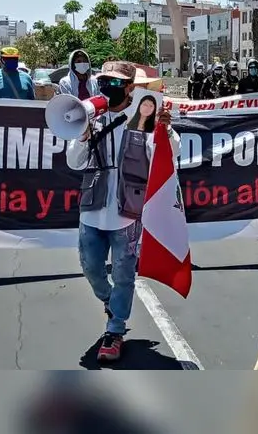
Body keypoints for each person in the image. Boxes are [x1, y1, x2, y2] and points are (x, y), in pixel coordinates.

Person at [66, 61, 179, 362]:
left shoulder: (145, 113)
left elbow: (170, 153)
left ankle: (115, 329)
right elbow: (74, 162)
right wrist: (81, 137)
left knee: (124, 272)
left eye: (116, 82)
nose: (108, 87)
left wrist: (165, 131)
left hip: (128, 208)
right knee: (90, 267)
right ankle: (110, 301)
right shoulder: (91, 114)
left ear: (130, 87)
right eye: (104, 81)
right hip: (93, 206)